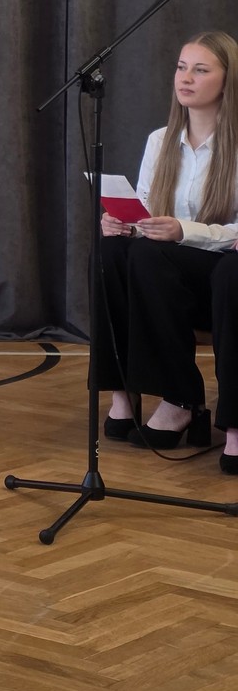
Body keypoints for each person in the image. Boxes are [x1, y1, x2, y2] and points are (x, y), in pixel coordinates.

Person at [94, 31, 238, 473]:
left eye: (200, 69)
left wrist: (182, 230)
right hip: (168, 272)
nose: (185, 78)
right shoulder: (160, 140)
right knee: (113, 251)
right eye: (181, 67)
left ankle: (207, 412)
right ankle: (131, 392)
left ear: (227, 80)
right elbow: (146, 206)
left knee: (218, 270)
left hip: (223, 271)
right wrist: (123, 222)